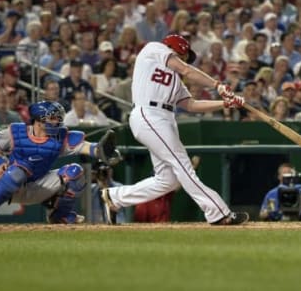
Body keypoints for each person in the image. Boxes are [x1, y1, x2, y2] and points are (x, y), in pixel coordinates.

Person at [100, 34, 249, 226]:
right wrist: (218, 85)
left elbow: (191, 105)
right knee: (183, 166)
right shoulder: (154, 49)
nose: (185, 59)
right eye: (184, 54)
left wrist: (225, 103)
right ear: (177, 49)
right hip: (149, 113)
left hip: (165, 119)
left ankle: (116, 197)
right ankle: (218, 212)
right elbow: (186, 69)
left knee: (167, 180)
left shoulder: (174, 80)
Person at [0, 101, 122, 225]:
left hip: (40, 185)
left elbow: (88, 147)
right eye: (52, 118)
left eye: (58, 118)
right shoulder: (16, 132)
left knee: (76, 172)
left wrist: (102, 151)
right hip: (12, 185)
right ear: (39, 120)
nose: (57, 122)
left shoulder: (60, 137)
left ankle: (59, 216)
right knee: (19, 170)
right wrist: (0, 161)